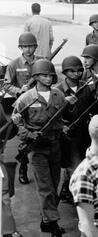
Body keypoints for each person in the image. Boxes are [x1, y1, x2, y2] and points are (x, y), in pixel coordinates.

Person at [12, 59, 75, 237]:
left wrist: (69, 111)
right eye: (44, 75)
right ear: (36, 77)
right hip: (37, 148)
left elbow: (65, 117)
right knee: (45, 188)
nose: (48, 78)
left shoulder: (58, 95)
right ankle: (54, 226)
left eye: (50, 75)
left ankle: (46, 220)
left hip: (55, 145)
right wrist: (27, 132)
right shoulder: (26, 98)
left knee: (55, 185)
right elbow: (18, 124)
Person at [3, 33, 40, 185]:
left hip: (40, 104)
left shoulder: (42, 62)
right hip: (23, 106)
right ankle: (23, 167)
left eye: (30, 46)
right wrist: (19, 91)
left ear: (35, 47)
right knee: (25, 138)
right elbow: (5, 85)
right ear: (20, 48)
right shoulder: (14, 64)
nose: (27, 49)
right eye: (24, 46)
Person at [55, 56, 92, 203]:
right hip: (68, 134)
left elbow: (90, 106)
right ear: (65, 72)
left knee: (83, 163)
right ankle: (78, 196)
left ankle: (66, 189)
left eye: (79, 71)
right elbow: (53, 114)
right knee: (74, 165)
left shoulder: (86, 87)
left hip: (84, 132)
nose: (76, 74)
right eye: (72, 71)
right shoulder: (57, 91)